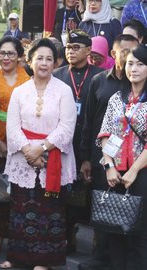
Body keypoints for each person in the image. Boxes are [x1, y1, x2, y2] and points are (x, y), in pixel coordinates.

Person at [0, 38, 77, 270]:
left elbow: (67, 127)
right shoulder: (20, 92)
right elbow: (12, 128)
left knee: (50, 211)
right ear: (30, 61)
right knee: (21, 209)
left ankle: (44, 261)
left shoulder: (64, 91)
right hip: (23, 159)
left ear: (56, 63)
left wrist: (41, 148)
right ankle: (16, 257)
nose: (44, 63)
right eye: (39, 58)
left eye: (49, 59)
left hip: (52, 158)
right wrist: (28, 151)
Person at [78, 33, 139, 270]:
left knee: (131, 212)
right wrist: (85, 158)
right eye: (124, 52)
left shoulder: (139, 82)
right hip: (103, 158)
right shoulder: (99, 81)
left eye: (134, 51)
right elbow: (88, 121)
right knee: (104, 210)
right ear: (113, 55)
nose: (130, 57)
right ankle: (102, 259)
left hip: (134, 160)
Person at [52, 29, 105, 254]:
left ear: (88, 50)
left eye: (76, 48)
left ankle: (96, 239)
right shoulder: (58, 74)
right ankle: (66, 234)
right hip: (62, 141)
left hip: (88, 141)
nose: (71, 52)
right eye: (68, 48)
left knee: (87, 190)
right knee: (62, 189)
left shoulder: (99, 76)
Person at [97, 44, 147, 270]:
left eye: (140, 64)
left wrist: (135, 170)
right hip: (115, 171)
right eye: (130, 63)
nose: (133, 69)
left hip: (142, 173)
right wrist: (109, 166)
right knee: (114, 229)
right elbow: (106, 134)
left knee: (140, 233)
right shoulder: (117, 98)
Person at [0, 36, 30, 257]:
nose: (7, 57)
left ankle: (19, 236)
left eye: (11, 53)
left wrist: (18, 142)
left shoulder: (27, 79)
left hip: (21, 143)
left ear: (20, 56)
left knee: (19, 192)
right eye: (3, 53)